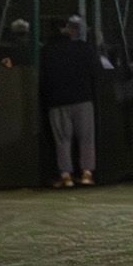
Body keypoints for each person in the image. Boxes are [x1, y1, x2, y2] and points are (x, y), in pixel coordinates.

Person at [41, 15, 99, 188]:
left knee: (62, 140)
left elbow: (44, 76)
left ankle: (66, 176)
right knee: (87, 138)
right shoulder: (84, 48)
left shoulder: (49, 49)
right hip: (82, 98)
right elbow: (95, 70)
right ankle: (87, 173)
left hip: (57, 101)